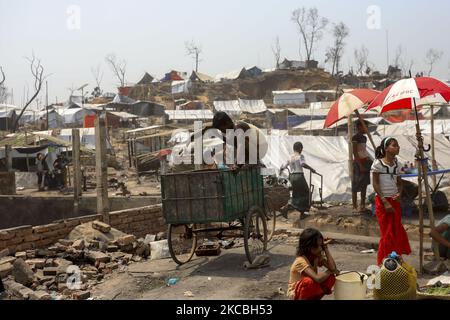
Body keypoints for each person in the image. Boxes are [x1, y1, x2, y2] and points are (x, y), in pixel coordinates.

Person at [371, 137, 411, 265]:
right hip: (383, 202)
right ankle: (384, 262)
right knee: (387, 232)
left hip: (395, 201)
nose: (397, 147)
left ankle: (396, 259)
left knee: (396, 230)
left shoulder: (397, 165)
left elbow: (399, 183)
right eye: (394, 145)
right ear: (386, 148)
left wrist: (399, 193)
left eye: (397, 145)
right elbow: (375, 184)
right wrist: (385, 201)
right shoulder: (377, 164)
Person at [287, 228, 338, 300]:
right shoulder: (300, 261)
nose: (320, 249)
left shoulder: (315, 256)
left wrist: (325, 248)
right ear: (309, 247)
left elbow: (333, 268)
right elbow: (318, 279)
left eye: (321, 246)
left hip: (308, 290)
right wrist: (330, 271)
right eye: (319, 246)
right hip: (295, 294)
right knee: (308, 282)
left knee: (331, 278)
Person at [279, 142, 316, 219]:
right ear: (299, 148)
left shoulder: (290, 157)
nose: (302, 150)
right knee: (306, 193)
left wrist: (280, 173)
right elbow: (302, 164)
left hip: (292, 177)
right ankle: (303, 212)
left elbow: (283, 167)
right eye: (301, 148)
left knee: (296, 194)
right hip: (299, 176)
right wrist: (311, 169)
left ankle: (286, 208)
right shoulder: (300, 156)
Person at [351, 121, 373, 213]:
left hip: (365, 162)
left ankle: (362, 205)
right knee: (355, 185)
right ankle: (355, 206)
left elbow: (363, 151)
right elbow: (355, 153)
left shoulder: (364, 138)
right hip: (358, 163)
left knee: (364, 185)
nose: (366, 129)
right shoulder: (355, 137)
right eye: (365, 127)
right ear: (359, 127)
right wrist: (360, 165)